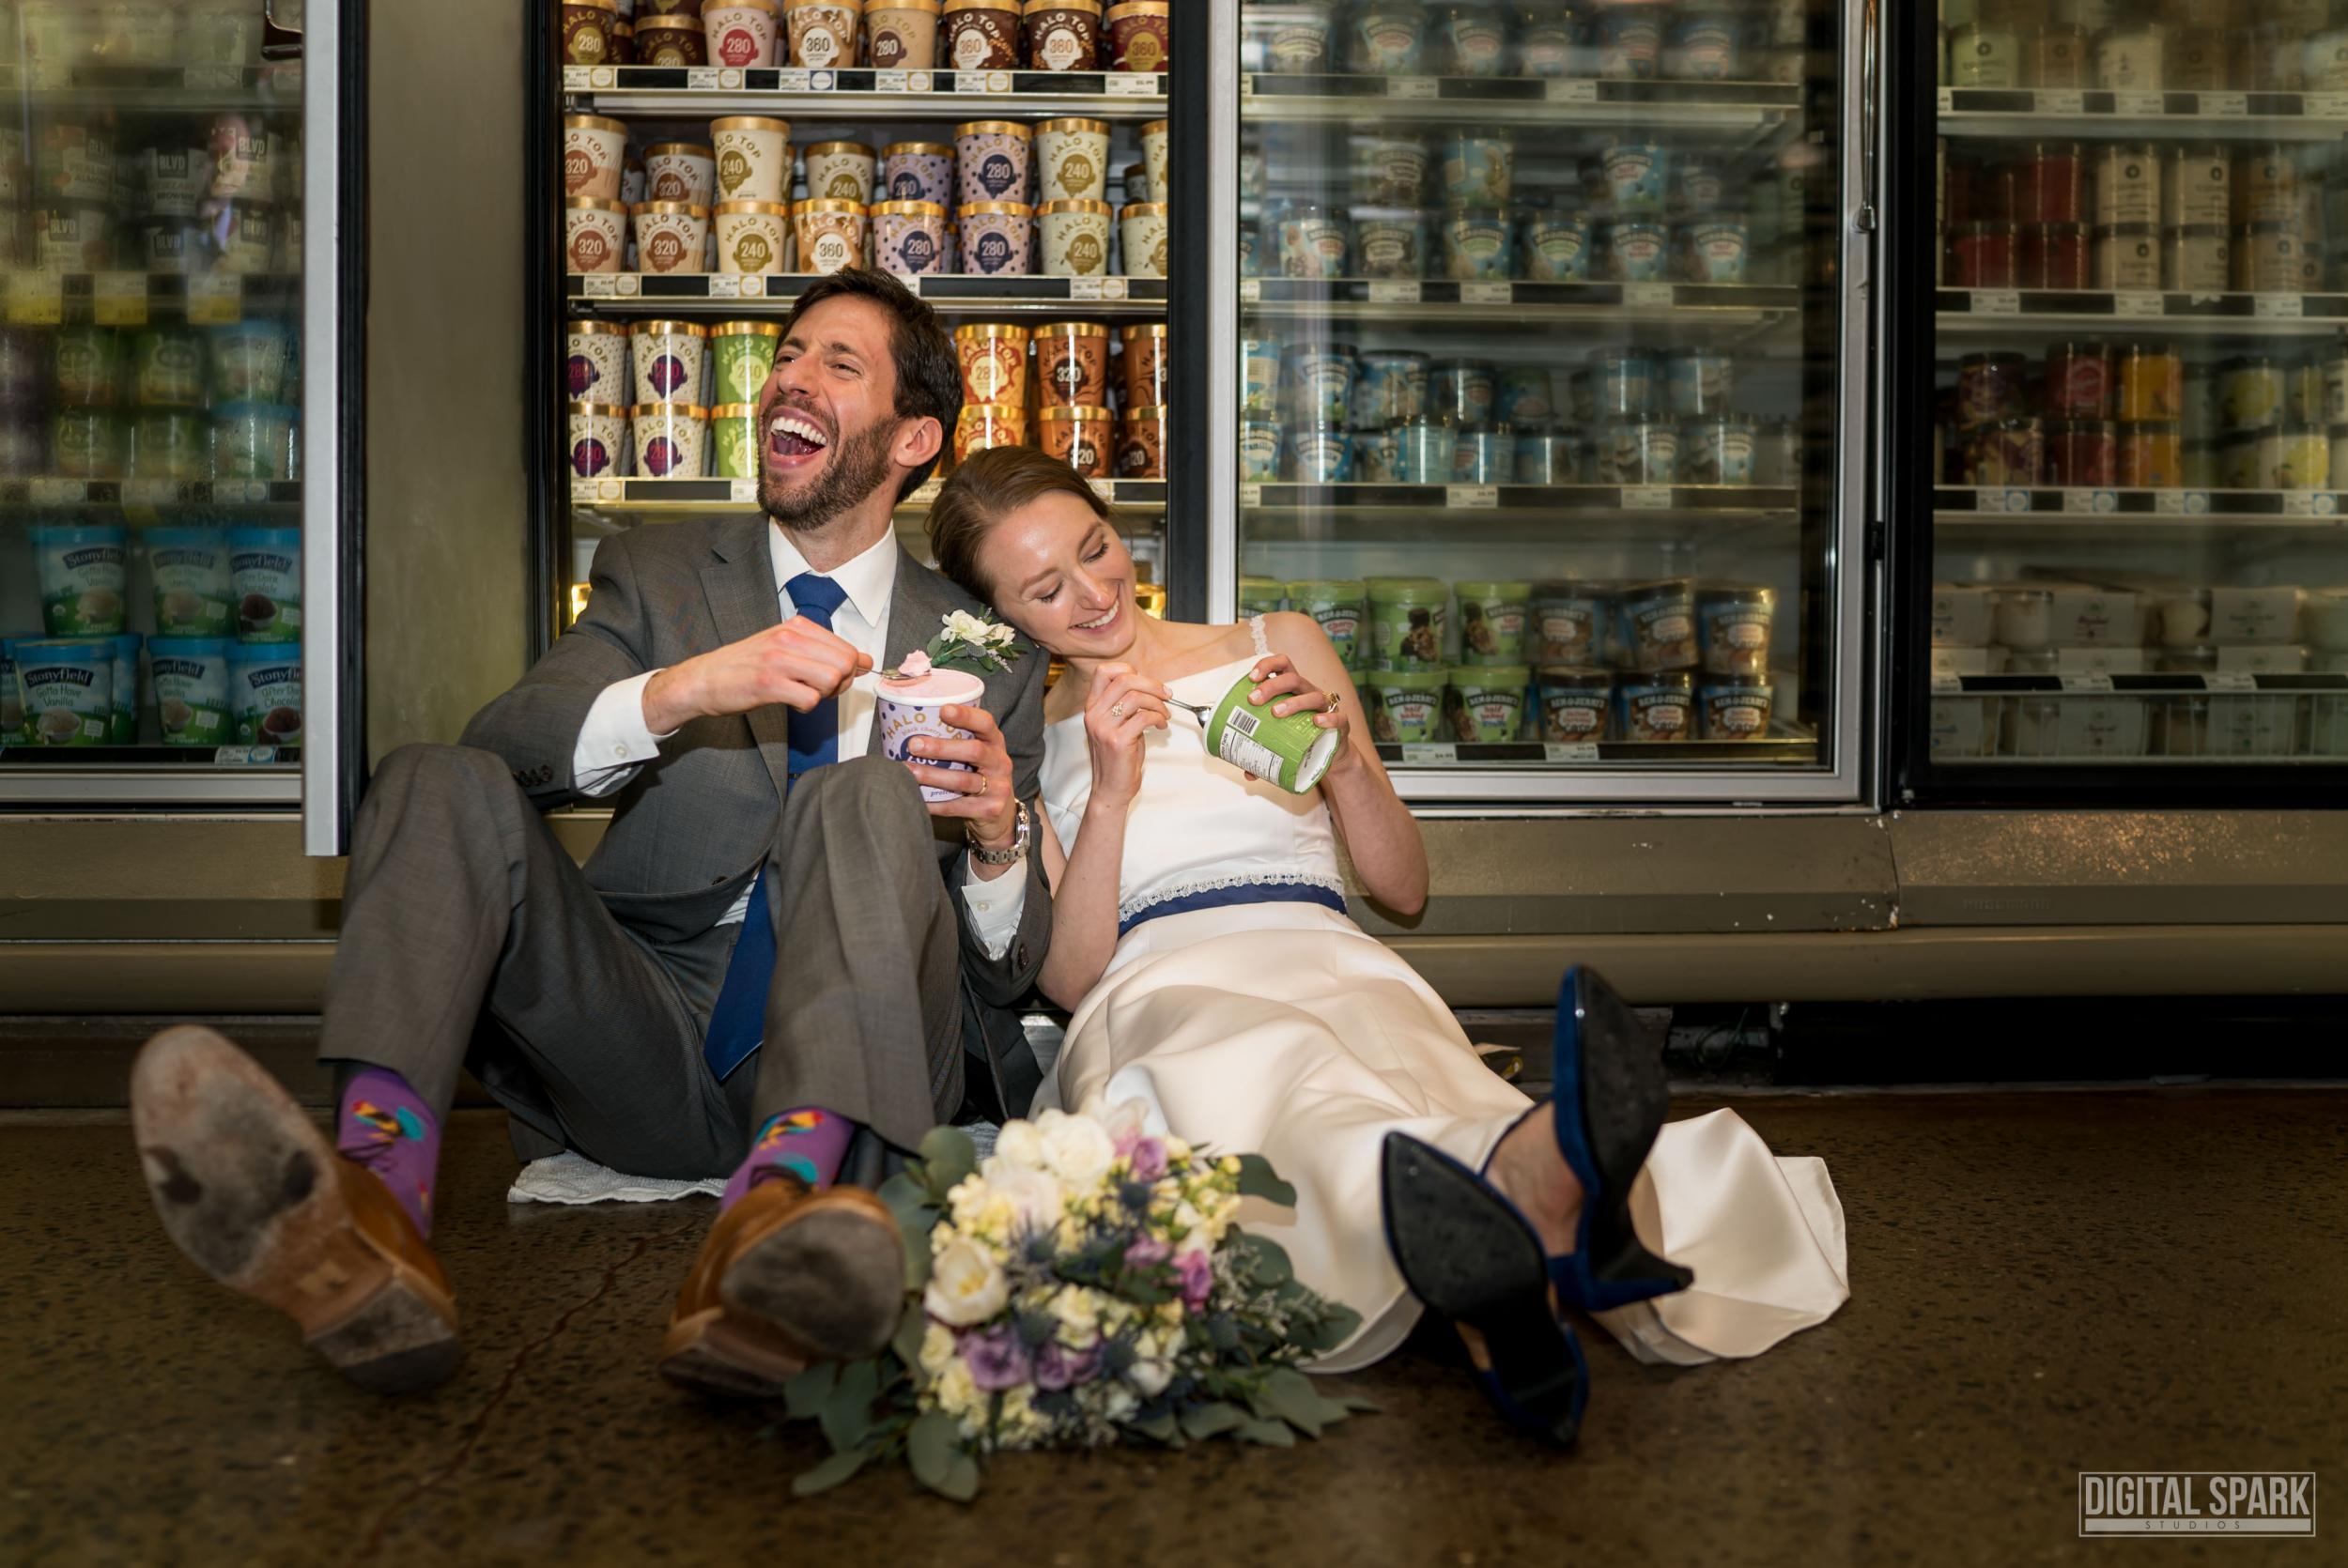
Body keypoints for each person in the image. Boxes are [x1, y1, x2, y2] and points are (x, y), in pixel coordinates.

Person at [129, 270, 1053, 1400]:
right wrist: (680, 688)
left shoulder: (990, 645)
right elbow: (506, 740)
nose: (788, 382)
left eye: (836, 364)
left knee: (858, 795)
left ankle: (777, 1221)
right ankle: (368, 1210)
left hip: (861, 1039)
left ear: (915, 436)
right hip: (647, 1027)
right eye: (789, 353)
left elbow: (1008, 973)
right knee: (435, 774)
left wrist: (1002, 838)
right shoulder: (658, 572)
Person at [922, 446, 1849, 1442]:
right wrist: (1109, 790)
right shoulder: (1031, 730)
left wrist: (1344, 758)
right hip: (1164, 979)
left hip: (1329, 950)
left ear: (1118, 527)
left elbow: (1401, 888)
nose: (1093, 594)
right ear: (1003, 618)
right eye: (1046, 590)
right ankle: (1534, 1186)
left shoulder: (1275, 642)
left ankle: (1504, 1250)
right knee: (1272, 1072)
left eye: (1096, 549)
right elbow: (1071, 973)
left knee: (1381, 1064)